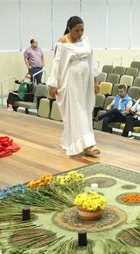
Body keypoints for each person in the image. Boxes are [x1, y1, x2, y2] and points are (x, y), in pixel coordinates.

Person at [47, 16, 100, 156]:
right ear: (69, 29)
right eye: (77, 30)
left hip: (86, 81)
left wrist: (95, 81)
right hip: (71, 81)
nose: (80, 33)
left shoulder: (85, 40)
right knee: (77, 111)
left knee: (86, 110)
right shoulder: (63, 42)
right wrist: (53, 84)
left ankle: (72, 140)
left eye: (82, 30)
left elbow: (92, 60)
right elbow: (56, 64)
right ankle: (88, 144)